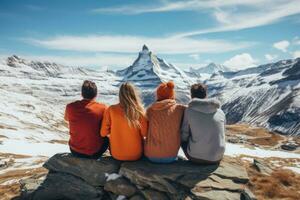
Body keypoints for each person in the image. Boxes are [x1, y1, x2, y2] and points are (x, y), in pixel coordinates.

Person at [100, 82, 147, 161]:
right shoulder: (139, 111)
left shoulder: (111, 110)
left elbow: (103, 133)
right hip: (136, 155)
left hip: (116, 154)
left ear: (120, 95)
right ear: (133, 94)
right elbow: (145, 133)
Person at [181, 83, 226, 164]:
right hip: (217, 157)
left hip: (196, 157)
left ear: (191, 96)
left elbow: (184, 134)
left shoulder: (189, 111)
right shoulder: (220, 111)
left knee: (183, 138)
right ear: (206, 95)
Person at [64, 80, 109, 159]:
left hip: (74, 150)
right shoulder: (103, 108)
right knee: (107, 139)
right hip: (95, 152)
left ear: (82, 94)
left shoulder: (70, 107)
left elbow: (66, 119)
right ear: (96, 94)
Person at [144, 81, 185, 163]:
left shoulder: (150, 110)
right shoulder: (180, 109)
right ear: (172, 94)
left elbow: (145, 131)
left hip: (151, 156)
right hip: (171, 156)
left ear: (158, 95)